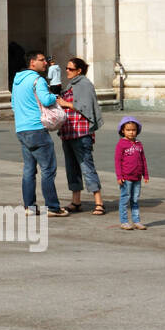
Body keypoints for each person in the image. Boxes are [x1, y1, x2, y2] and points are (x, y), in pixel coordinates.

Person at [11, 49, 73, 217]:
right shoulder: (37, 80)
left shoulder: (17, 81)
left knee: (29, 170)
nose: (45, 63)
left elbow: (13, 105)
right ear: (32, 62)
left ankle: (29, 207)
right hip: (36, 128)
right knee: (48, 169)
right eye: (42, 60)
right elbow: (46, 100)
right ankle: (53, 207)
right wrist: (56, 98)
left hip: (22, 129)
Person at [59, 57, 105, 215]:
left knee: (87, 167)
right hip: (68, 132)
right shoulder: (71, 85)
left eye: (70, 69)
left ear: (79, 71)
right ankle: (76, 201)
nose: (67, 71)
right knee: (72, 168)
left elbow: (86, 107)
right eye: (66, 68)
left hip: (82, 132)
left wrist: (66, 104)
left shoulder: (84, 84)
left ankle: (99, 202)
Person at [115, 117, 150, 231]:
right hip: (126, 178)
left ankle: (136, 221)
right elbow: (117, 161)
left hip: (137, 177)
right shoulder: (121, 144)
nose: (131, 132)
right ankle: (124, 221)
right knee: (125, 199)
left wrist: (146, 174)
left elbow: (143, 159)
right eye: (128, 130)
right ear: (123, 131)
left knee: (135, 199)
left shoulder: (139, 144)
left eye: (133, 130)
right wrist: (119, 176)